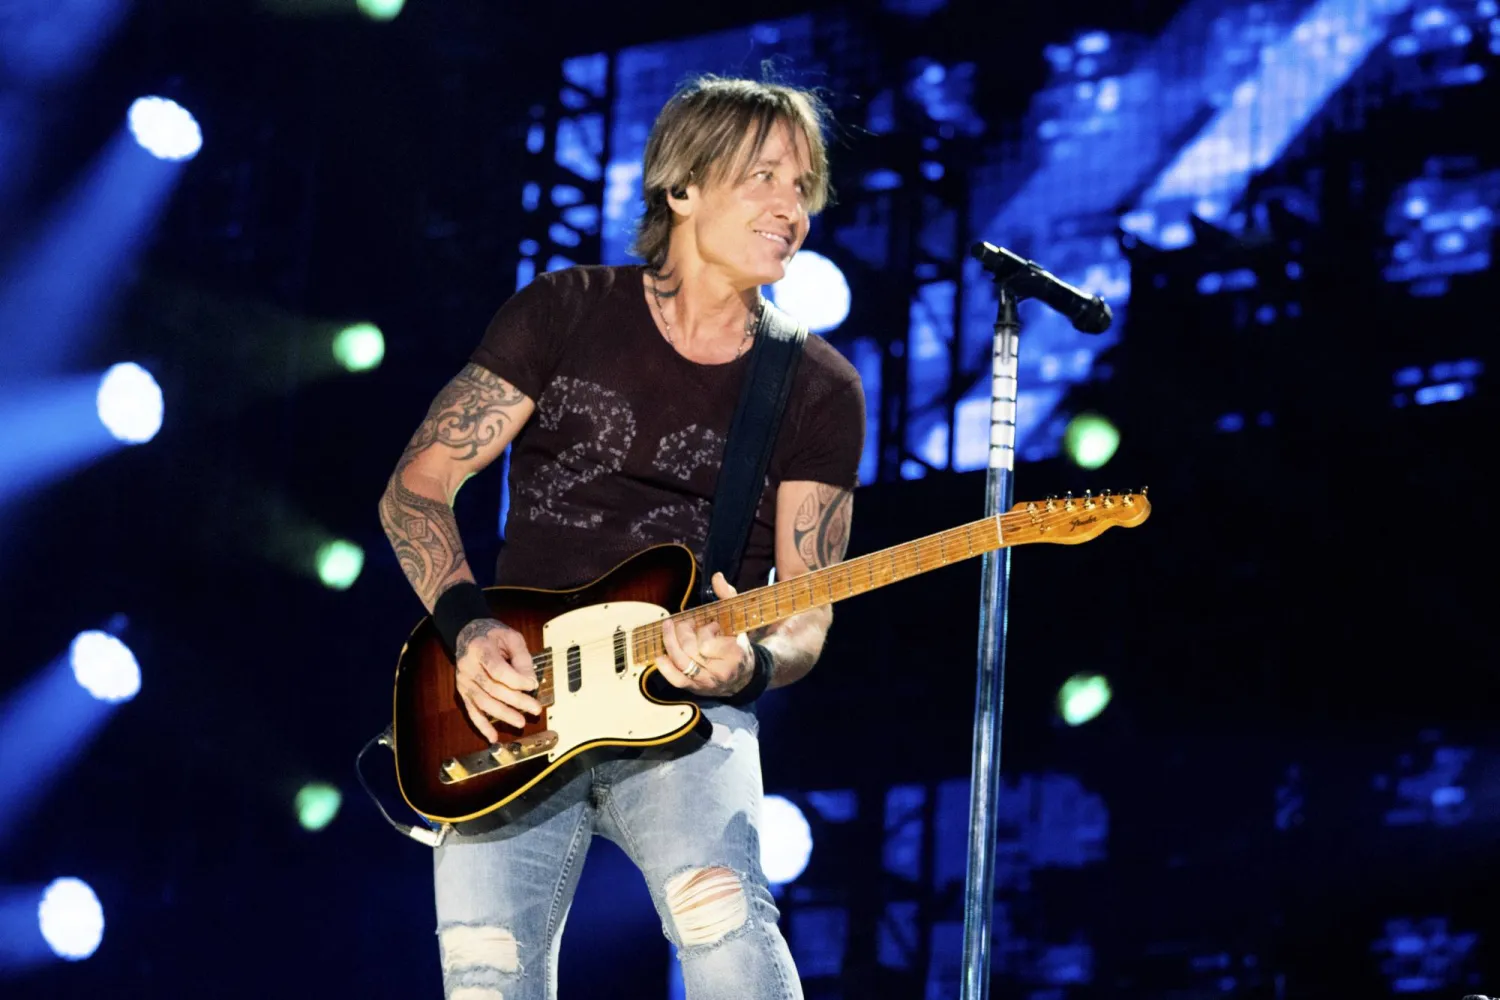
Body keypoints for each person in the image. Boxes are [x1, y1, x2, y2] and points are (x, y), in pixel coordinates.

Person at [378, 75, 865, 1000]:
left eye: (802, 188)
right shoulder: (565, 311)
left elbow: (808, 612)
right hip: (511, 706)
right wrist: (467, 625)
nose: (789, 208)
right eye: (763, 177)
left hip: (689, 711)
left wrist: (749, 668)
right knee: (485, 978)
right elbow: (418, 487)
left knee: (727, 936)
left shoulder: (817, 385)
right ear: (681, 187)